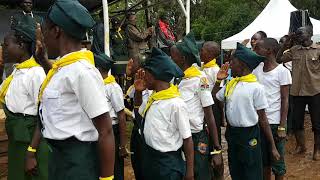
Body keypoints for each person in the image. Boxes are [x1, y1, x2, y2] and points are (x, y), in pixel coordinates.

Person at [34, 0, 115, 179]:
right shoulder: (64, 68)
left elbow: (106, 130)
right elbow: (61, 86)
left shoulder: (82, 72)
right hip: (60, 158)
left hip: (77, 163)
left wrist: (107, 178)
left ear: (56, 32)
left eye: (45, 32)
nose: (43, 39)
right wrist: (43, 61)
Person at [216, 42, 280, 180]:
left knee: (251, 171)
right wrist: (217, 81)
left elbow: (263, 118)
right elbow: (216, 97)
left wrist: (272, 146)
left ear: (243, 64)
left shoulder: (256, 87)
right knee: (236, 169)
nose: (230, 64)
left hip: (249, 135)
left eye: (233, 61)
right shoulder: (231, 84)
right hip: (232, 134)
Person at [133, 47, 194, 180]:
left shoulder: (176, 104)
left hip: (167, 164)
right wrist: (138, 92)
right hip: (150, 158)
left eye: (146, 73)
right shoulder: (154, 97)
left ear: (154, 75)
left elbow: (187, 139)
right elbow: (138, 113)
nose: (143, 76)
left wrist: (190, 172)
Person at [171, 32, 223, 180]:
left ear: (182, 58)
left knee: (200, 173)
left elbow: (209, 114)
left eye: (173, 56)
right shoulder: (175, 79)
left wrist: (217, 149)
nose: (170, 59)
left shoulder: (201, 79)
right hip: (177, 137)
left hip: (196, 138)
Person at [1, 21, 48, 180]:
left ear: (21, 45)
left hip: (31, 139)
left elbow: (44, 114)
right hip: (18, 137)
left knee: (33, 175)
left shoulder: (35, 73)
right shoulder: (17, 71)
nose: (3, 50)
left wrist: (32, 152)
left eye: (6, 45)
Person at [254, 38, 292, 180]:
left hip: (275, 122)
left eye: (258, 48)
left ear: (269, 51)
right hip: (260, 122)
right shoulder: (257, 70)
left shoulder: (282, 72)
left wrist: (282, 126)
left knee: (278, 162)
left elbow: (285, 99)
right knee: (264, 161)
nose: (255, 51)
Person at [281, 26, 320, 160]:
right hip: (297, 92)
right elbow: (278, 58)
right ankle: (301, 146)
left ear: (310, 34)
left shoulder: (318, 50)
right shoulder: (294, 50)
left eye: (300, 33)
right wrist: (286, 43)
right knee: (297, 121)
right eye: (296, 33)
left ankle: (317, 150)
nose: (297, 35)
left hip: (315, 92)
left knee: (317, 123)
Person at [94, 53, 128, 180]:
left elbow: (121, 115)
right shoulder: (97, 85)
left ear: (98, 69)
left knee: (115, 168)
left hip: (112, 131)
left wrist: (123, 145)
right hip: (99, 131)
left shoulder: (113, 87)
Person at [125, 53, 153, 180]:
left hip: (148, 130)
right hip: (137, 130)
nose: (131, 63)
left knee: (146, 167)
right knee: (137, 164)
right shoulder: (136, 85)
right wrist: (128, 77)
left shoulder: (153, 87)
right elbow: (126, 101)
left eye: (134, 62)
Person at [200, 41, 224, 180]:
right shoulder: (201, 68)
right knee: (204, 147)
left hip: (212, 109)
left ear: (210, 54)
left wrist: (221, 117)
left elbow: (218, 96)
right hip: (203, 110)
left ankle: (218, 175)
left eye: (203, 50)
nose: (200, 52)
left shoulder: (215, 70)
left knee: (215, 146)